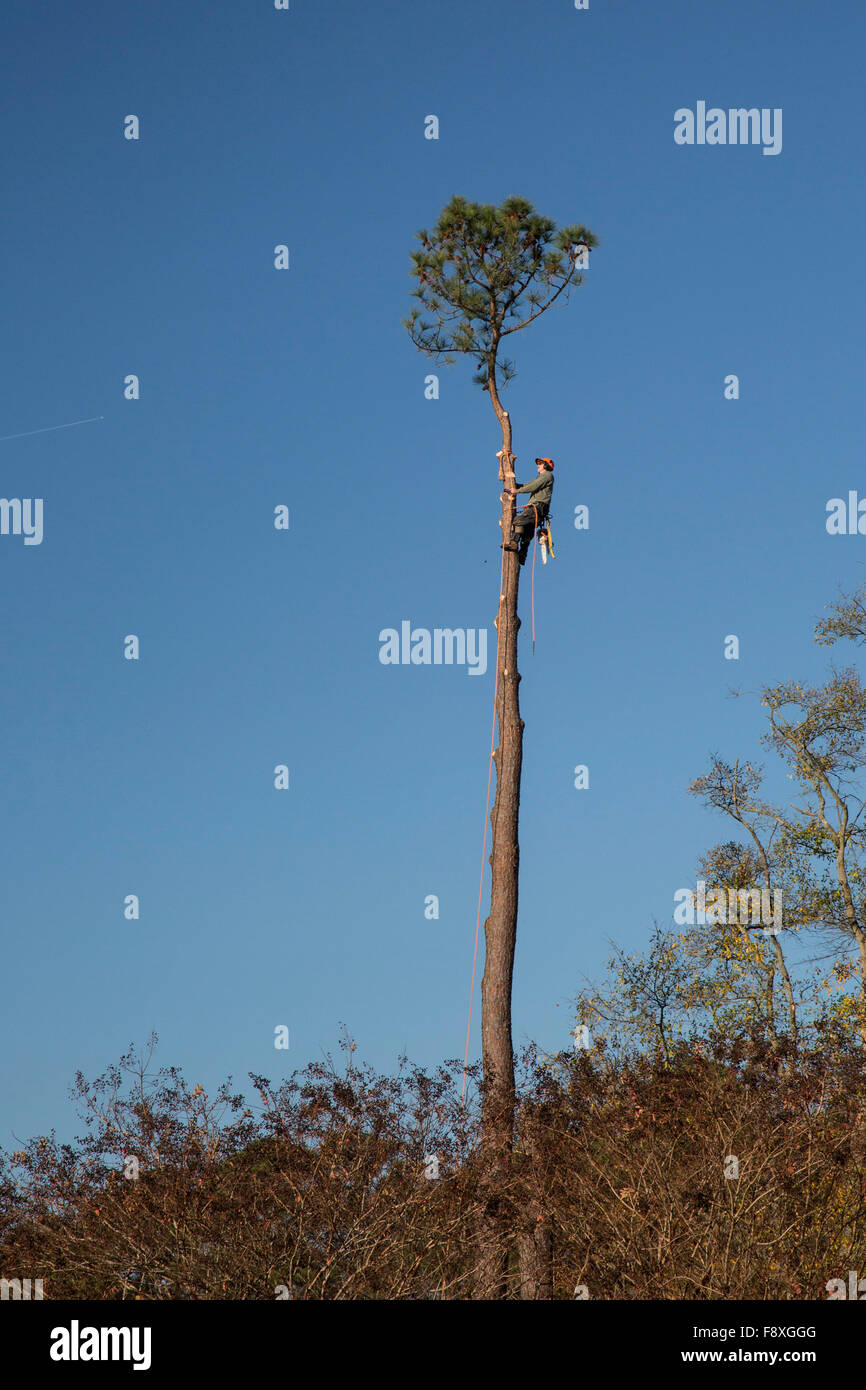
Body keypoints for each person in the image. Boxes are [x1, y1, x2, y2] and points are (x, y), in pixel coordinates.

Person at [502, 457, 555, 565]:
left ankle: (513, 542)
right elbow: (529, 485)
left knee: (518, 520)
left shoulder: (547, 476)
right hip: (539, 509)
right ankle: (522, 555)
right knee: (527, 532)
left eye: (540, 463)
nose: (538, 465)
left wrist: (517, 491)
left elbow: (533, 486)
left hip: (538, 507)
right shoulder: (541, 477)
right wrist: (516, 485)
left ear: (546, 466)